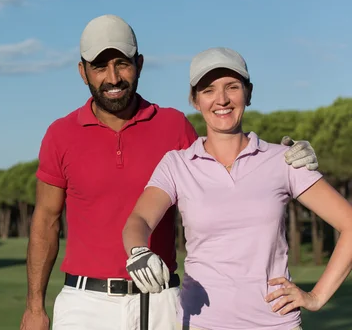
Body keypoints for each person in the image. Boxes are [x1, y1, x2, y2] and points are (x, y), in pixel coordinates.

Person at [19, 15, 320, 330]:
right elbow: (45, 222)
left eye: (122, 64)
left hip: (162, 300)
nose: (113, 77)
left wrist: (283, 157)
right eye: (99, 67)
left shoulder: (173, 126)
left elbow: (226, 168)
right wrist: (34, 307)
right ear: (83, 72)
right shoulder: (61, 134)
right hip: (85, 302)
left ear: (140, 64)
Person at [122, 46, 352, 330]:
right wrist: (137, 252)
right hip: (202, 323)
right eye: (208, 90)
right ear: (194, 100)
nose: (222, 99)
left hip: (275, 324)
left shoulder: (283, 160)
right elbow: (139, 219)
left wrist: (317, 297)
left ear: (249, 93)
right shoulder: (177, 164)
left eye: (232, 87)